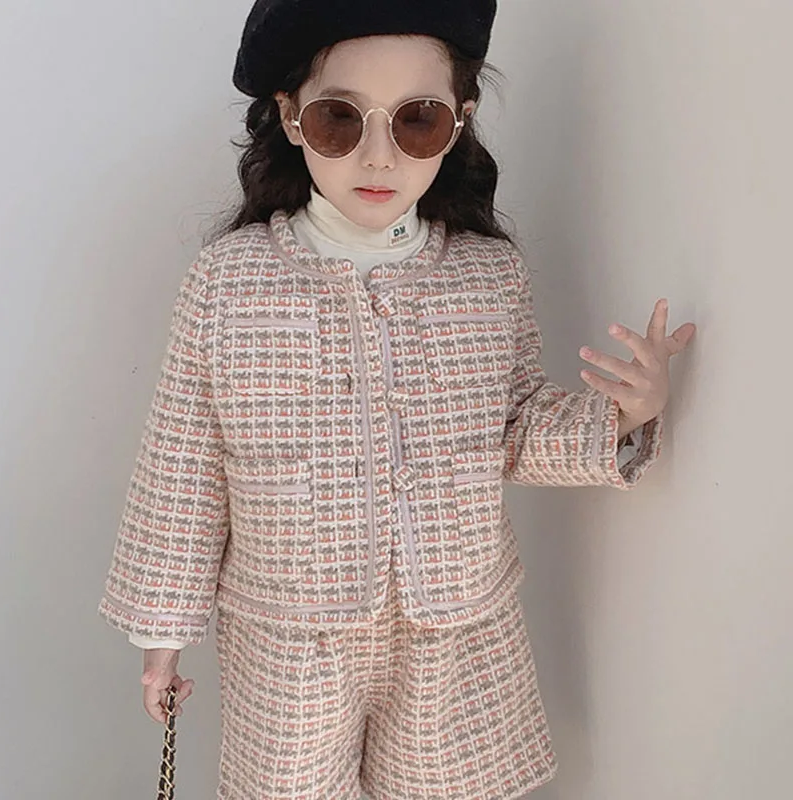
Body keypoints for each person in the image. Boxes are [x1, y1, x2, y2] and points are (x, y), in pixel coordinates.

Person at [98, 1, 696, 798]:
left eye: (416, 120)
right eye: (340, 119)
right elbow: (183, 463)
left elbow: (514, 426)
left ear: (458, 123)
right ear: (292, 117)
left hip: (457, 628)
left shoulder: (487, 276)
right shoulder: (230, 281)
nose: (378, 155)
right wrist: (162, 632)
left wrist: (625, 412)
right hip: (289, 636)